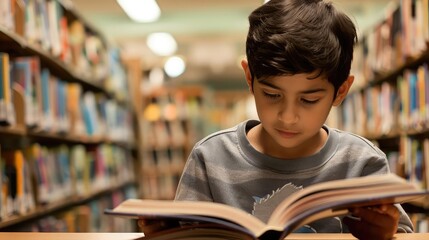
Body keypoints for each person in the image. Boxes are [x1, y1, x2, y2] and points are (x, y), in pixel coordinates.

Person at [140, 0, 414, 239]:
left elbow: (403, 233)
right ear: (250, 79)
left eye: (309, 100)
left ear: (340, 91)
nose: (288, 117)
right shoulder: (209, 158)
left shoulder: (363, 162)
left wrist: (386, 234)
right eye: (272, 94)